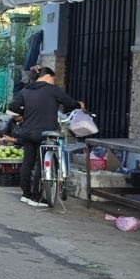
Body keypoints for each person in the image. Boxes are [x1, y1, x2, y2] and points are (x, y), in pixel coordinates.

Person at [7, 66, 83, 208]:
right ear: (48, 76)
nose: (53, 82)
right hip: (45, 133)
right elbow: (69, 103)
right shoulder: (52, 90)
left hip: (27, 132)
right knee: (41, 163)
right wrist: (79, 104)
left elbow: (12, 107)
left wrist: (23, 114)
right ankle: (37, 197)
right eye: (53, 79)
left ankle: (26, 194)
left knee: (27, 162)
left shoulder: (25, 90)